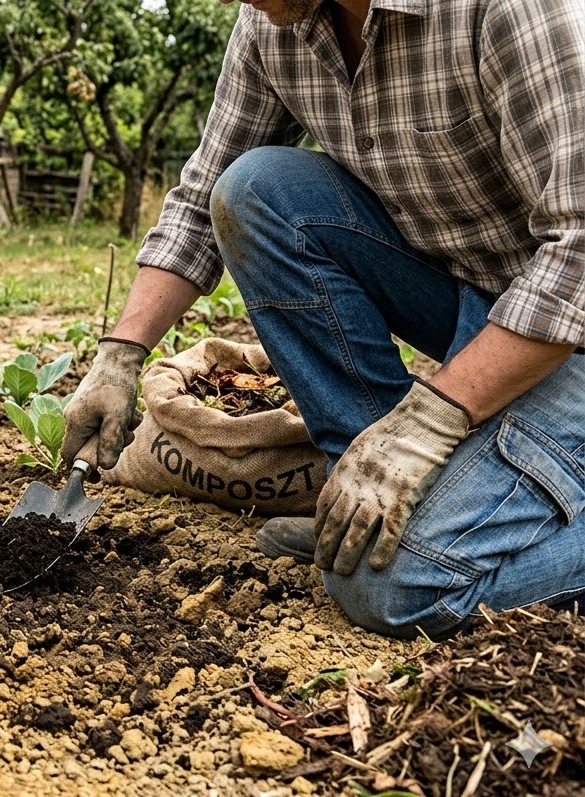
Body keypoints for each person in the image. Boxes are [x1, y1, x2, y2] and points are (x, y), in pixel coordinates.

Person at [61, 0, 585, 640]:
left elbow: (579, 250)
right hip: (481, 296)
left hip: (571, 322)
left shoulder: (508, 10)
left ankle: (417, 525)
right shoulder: (272, 21)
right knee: (256, 190)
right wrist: (119, 356)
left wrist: (431, 422)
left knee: (390, 586)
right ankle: (366, 491)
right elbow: (199, 203)